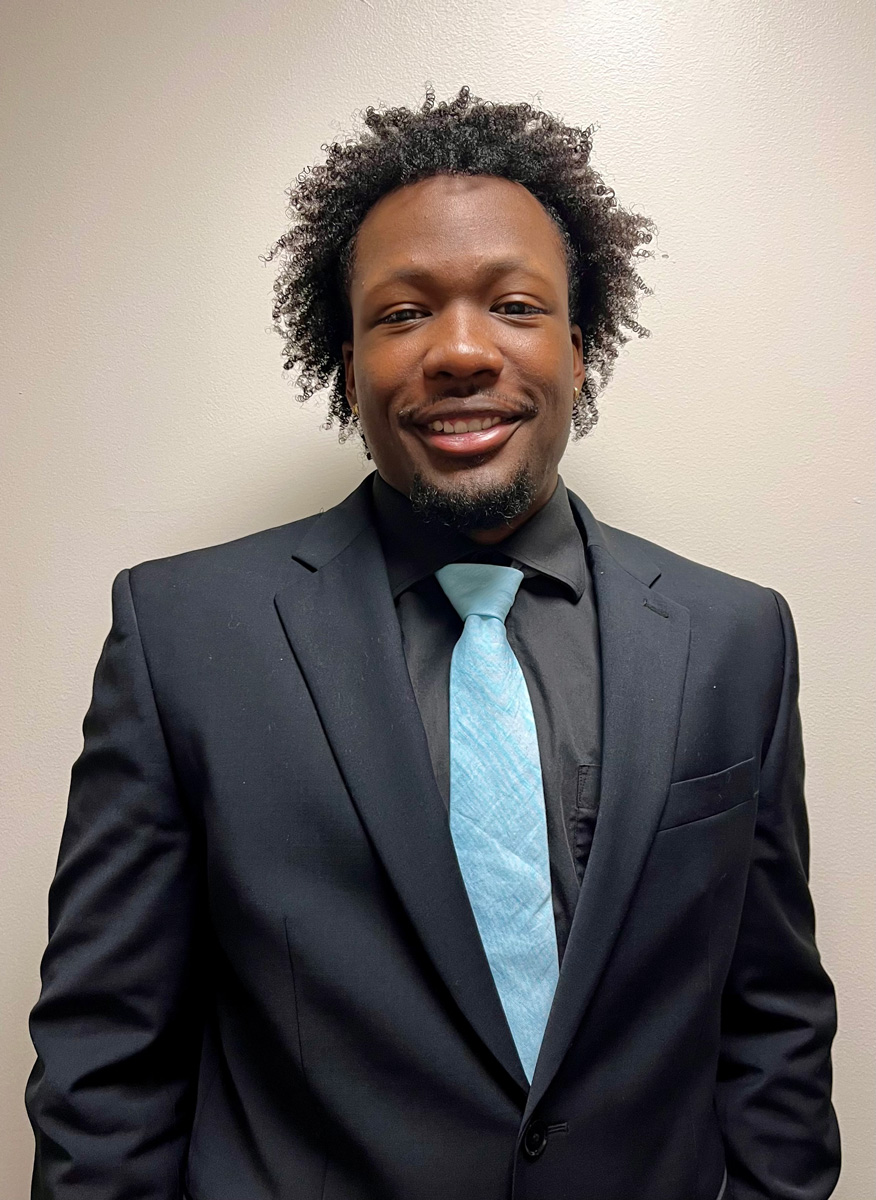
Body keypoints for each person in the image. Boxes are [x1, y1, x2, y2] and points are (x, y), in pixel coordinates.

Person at [26, 87, 840, 1200]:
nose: (459, 351)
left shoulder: (738, 637)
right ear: (346, 360)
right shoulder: (182, 636)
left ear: (580, 346)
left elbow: (773, 1026)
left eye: (513, 304)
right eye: (402, 314)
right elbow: (106, 1059)